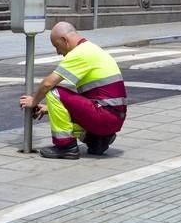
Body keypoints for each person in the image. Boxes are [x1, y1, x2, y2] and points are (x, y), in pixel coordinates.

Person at [19, 22, 127, 160]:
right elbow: (90, 99)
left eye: (57, 46)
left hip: (104, 116)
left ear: (65, 40)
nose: (58, 52)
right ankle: (97, 139)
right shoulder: (92, 49)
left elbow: (47, 83)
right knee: (61, 103)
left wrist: (33, 101)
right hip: (113, 118)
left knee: (54, 92)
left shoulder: (79, 53)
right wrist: (50, 108)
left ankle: (65, 147)